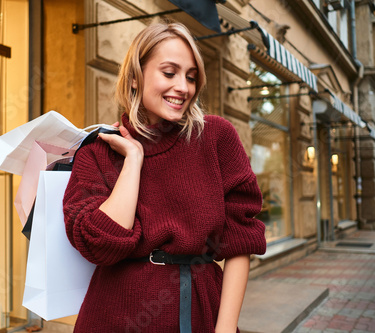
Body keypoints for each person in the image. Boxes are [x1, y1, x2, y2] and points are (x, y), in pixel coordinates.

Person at [63, 21, 266, 333]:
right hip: (113, 316)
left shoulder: (215, 137)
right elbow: (102, 244)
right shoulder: (98, 151)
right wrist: (133, 160)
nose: (183, 87)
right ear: (134, 78)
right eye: (169, 73)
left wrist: (224, 329)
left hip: (199, 311)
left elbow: (240, 241)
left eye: (191, 76)